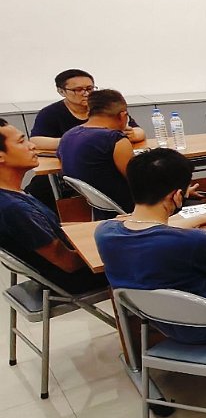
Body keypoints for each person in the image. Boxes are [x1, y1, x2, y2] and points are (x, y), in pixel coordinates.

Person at [95, 148, 206, 344]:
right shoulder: (192, 241)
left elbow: (152, 230)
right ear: (177, 196)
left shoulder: (105, 232)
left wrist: (200, 218)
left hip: (165, 323)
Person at [0, 119, 107, 293]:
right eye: (21, 142)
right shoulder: (14, 208)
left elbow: (55, 228)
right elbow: (69, 263)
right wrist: (117, 246)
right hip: (75, 279)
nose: (32, 146)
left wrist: (110, 228)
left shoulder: (12, 194)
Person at [57, 89, 136, 216]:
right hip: (128, 208)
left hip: (100, 207)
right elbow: (137, 180)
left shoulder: (68, 135)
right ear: (123, 115)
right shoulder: (115, 139)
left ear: (89, 112)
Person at [30, 69, 144, 151]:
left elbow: (139, 131)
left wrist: (132, 134)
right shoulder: (50, 113)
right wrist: (77, 141)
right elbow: (36, 141)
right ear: (61, 91)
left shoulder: (105, 107)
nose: (86, 93)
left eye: (90, 89)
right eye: (78, 90)